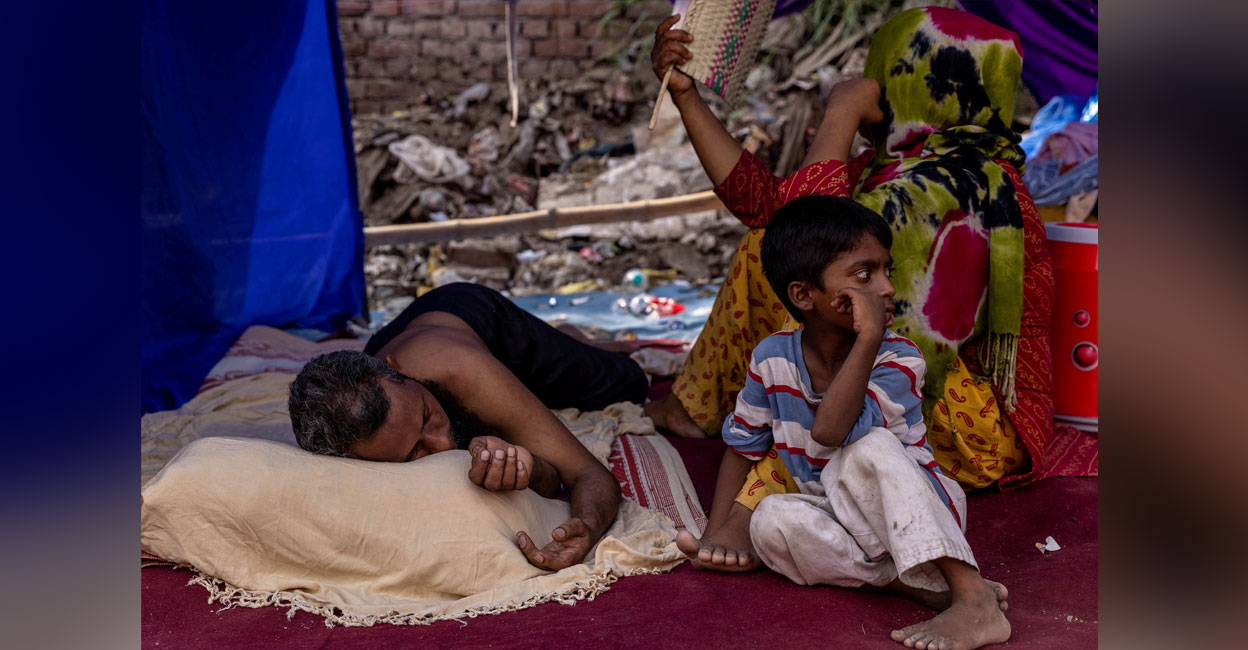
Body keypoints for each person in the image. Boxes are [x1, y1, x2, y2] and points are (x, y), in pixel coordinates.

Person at [645, 6, 1061, 494]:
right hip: (921, 388)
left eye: (883, 74)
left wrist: (841, 113)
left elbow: (806, 233)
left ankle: (794, 438)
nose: (874, 88)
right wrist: (687, 98)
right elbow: (766, 208)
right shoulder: (893, 167)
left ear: (915, 83)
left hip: (976, 429)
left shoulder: (961, 186)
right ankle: (699, 409)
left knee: (785, 259)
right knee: (769, 242)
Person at [689, 195, 1012, 650]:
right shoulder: (771, 358)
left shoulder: (899, 357)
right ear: (804, 295)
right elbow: (743, 446)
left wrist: (870, 338)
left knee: (867, 448)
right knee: (771, 521)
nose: (885, 289)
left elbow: (830, 432)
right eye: (864, 274)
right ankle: (909, 584)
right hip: (832, 512)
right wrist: (716, 533)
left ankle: (970, 593)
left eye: (886, 270)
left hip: (913, 511)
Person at [288, 282, 649, 571]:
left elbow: (587, 473)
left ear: (396, 369)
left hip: (478, 316)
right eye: (415, 451)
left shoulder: (461, 370)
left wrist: (586, 527)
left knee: (630, 383)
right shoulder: (360, 428)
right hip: (404, 333)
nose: (443, 443)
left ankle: (573, 339)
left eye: (428, 415)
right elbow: (544, 474)